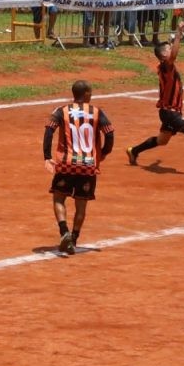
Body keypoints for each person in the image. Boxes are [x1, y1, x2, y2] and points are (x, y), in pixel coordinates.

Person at [126, 22, 184, 177]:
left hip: (168, 112)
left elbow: (171, 53)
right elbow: (174, 55)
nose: (171, 50)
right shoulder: (167, 65)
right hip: (171, 112)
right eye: (168, 49)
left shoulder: (163, 65)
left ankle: (134, 150)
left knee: (162, 140)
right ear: (164, 55)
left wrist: (172, 40)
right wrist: (179, 33)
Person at [43, 80, 115, 254]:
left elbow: (49, 131)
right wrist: (103, 153)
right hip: (89, 165)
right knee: (81, 205)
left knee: (59, 198)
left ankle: (64, 232)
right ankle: (74, 239)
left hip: (67, 164)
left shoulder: (61, 111)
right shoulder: (97, 112)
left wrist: (47, 157)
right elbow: (110, 133)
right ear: (88, 94)